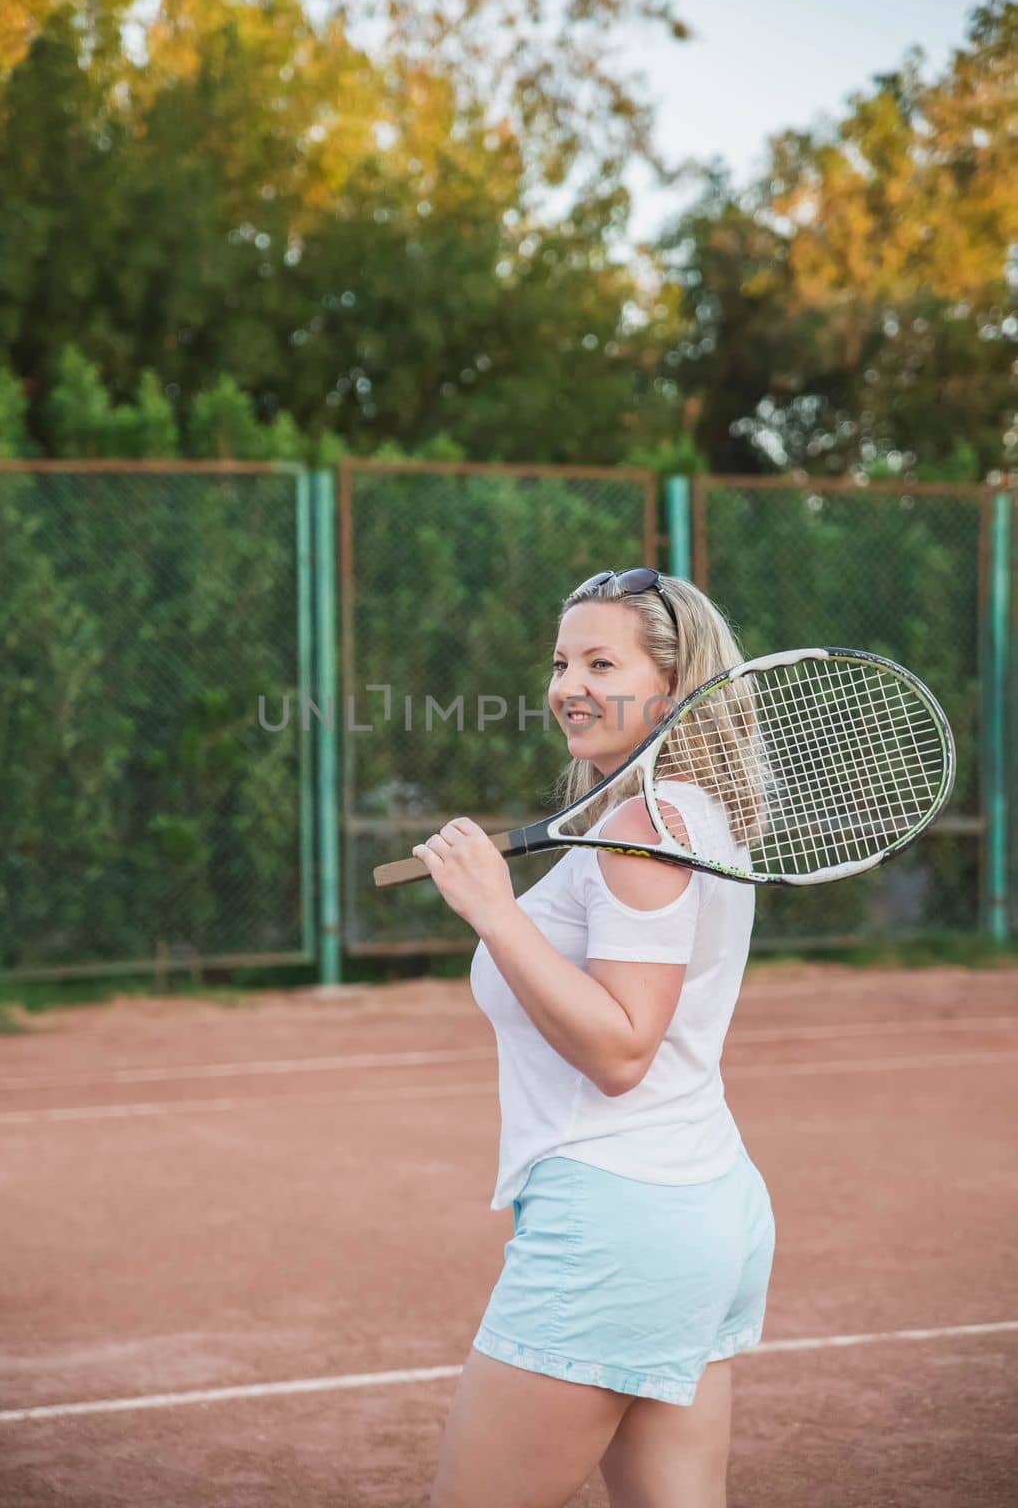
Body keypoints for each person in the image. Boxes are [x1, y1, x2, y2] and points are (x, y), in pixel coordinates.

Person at [411, 568, 777, 1508]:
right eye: (562, 659)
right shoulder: (691, 814)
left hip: (620, 1224)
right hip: (697, 1207)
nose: (567, 682)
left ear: (672, 686)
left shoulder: (643, 828)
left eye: (601, 661)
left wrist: (495, 911)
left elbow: (620, 1050)